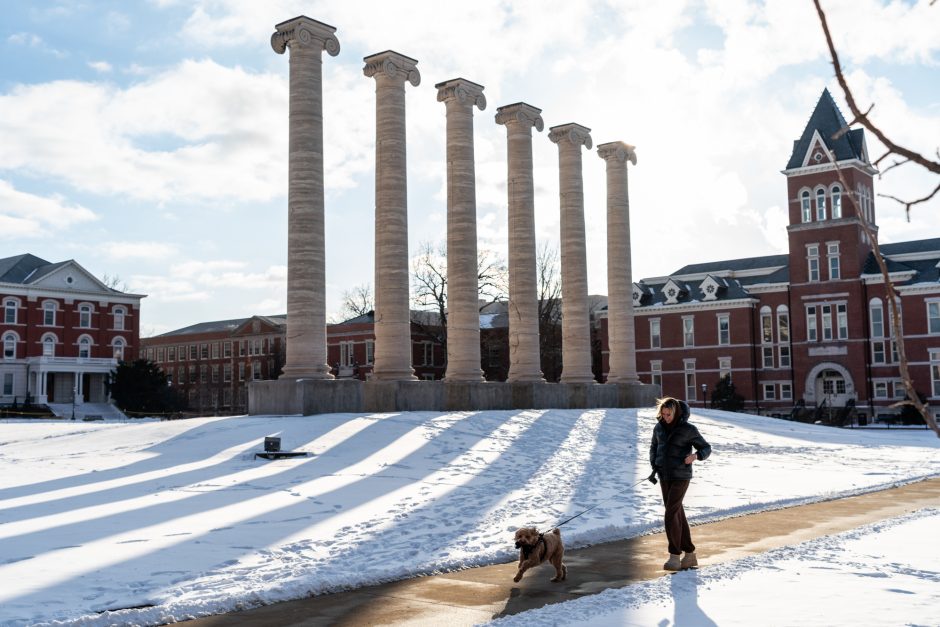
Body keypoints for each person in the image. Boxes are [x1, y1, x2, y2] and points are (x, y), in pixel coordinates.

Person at [649, 396, 711, 571]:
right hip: (664, 475)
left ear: (676, 413)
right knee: (677, 514)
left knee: (670, 513)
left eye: (668, 414)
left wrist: (695, 456)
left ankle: (674, 556)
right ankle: (690, 554)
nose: (666, 417)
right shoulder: (659, 427)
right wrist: (654, 463)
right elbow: (654, 447)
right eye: (663, 414)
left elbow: (706, 448)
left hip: (681, 475)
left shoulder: (688, 429)